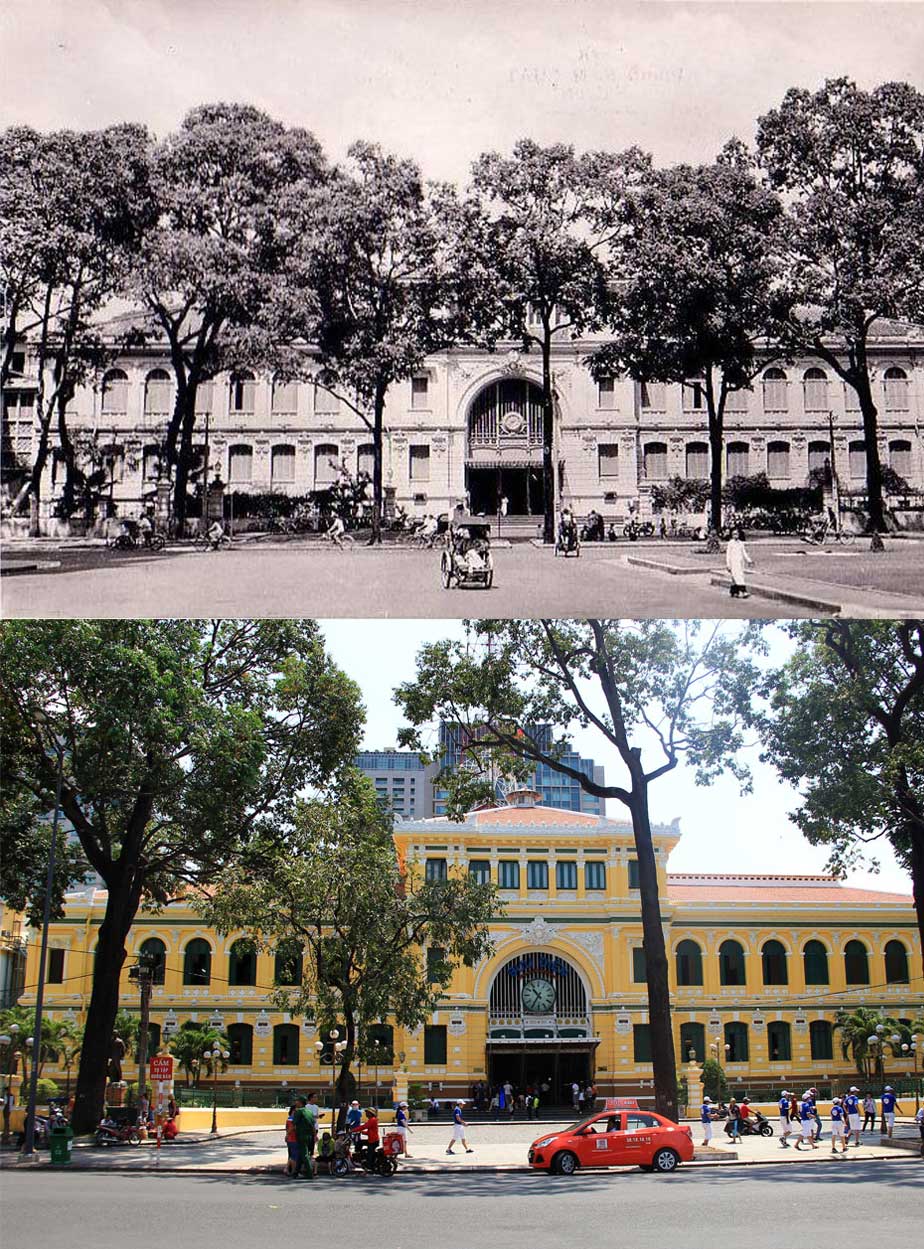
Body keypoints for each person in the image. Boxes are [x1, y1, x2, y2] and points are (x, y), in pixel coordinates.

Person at [725, 528, 753, 598]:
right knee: (738, 577)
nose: (735, 535)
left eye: (736, 534)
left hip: (740, 563)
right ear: (732, 535)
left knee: (736, 578)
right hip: (733, 563)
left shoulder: (741, 543)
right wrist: (728, 564)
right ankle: (744, 591)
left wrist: (749, 560)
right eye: (734, 534)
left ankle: (734, 591)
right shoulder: (730, 543)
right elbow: (728, 554)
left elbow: (744, 553)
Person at [293, 1095, 315, 1178]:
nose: (296, 1102)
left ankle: (310, 1173)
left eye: (297, 1101)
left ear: (300, 1102)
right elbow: (313, 1125)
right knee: (301, 1154)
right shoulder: (309, 1112)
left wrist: (288, 1134)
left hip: (302, 1136)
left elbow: (293, 1125)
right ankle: (296, 1172)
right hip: (309, 1136)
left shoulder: (299, 1111)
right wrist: (315, 1135)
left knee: (305, 1155)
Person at [284, 1103, 301, 1177]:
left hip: (290, 1139)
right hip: (293, 1139)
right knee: (294, 1156)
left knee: (292, 1155)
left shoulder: (289, 1118)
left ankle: (287, 1168)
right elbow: (291, 1128)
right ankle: (294, 1172)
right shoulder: (292, 1119)